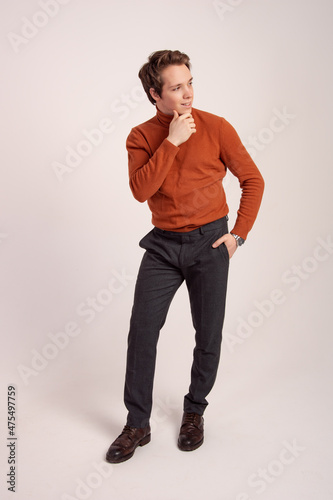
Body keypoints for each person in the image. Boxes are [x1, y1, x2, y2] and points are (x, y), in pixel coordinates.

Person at [106, 49, 264, 464]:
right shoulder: (141, 136)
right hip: (162, 244)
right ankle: (137, 423)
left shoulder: (216, 127)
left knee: (207, 334)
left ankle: (194, 410)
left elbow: (253, 180)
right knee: (142, 330)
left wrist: (238, 236)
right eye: (177, 87)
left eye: (190, 82)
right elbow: (141, 190)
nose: (188, 93)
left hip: (212, 241)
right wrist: (172, 142)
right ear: (155, 95)